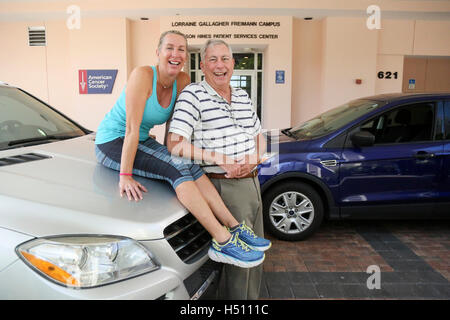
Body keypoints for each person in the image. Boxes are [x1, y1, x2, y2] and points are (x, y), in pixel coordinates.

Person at [94, 30, 269, 269]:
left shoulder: (182, 81)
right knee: (177, 169)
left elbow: (172, 130)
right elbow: (131, 130)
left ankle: (236, 227)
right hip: (113, 140)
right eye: (170, 48)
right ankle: (222, 240)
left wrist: (170, 151)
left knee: (189, 164)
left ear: (186, 56)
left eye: (181, 49)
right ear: (158, 53)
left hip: (143, 139)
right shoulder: (143, 75)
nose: (175, 54)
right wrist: (125, 176)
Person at [167, 39, 269, 299]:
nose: (220, 65)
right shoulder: (193, 94)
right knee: (238, 264)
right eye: (213, 59)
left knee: (255, 259)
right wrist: (219, 158)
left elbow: (260, 135)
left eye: (225, 59)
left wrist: (257, 156)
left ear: (233, 64)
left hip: (253, 182)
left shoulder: (243, 95)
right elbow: (175, 144)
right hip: (223, 186)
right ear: (202, 66)